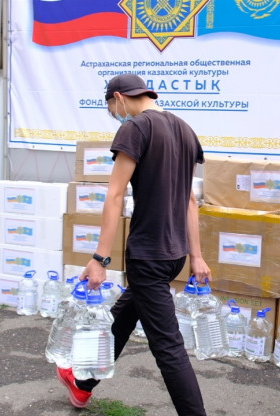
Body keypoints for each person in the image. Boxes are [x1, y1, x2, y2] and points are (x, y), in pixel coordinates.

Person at [56, 73, 211, 415]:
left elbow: (114, 195)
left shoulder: (135, 128)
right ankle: (82, 383)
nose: (115, 115)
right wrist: (196, 256)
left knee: (168, 348)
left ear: (119, 98)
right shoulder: (186, 130)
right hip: (174, 254)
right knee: (123, 317)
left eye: (111, 109)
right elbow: (190, 200)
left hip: (149, 254)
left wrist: (100, 259)